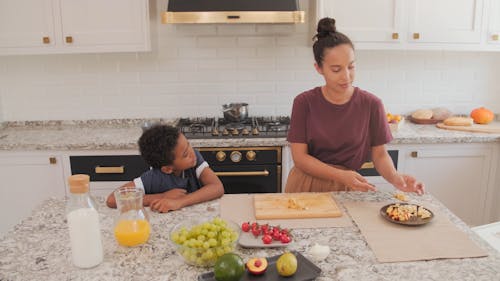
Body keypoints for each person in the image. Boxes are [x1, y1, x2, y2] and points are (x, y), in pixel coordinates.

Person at [285, 17, 424, 194]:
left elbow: (380, 154)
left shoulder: (372, 104)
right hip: (305, 186)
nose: (346, 76)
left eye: (351, 67)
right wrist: (340, 175)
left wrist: (396, 178)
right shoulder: (304, 102)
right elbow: (300, 158)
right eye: (336, 69)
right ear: (319, 68)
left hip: (348, 187)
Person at [106, 125, 224, 212]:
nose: (192, 153)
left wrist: (179, 202)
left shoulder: (195, 160)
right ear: (167, 169)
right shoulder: (153, 178)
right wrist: (162, 196)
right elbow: (112, 200)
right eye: (185, 155)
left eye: (189, 145)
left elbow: (217, 187)